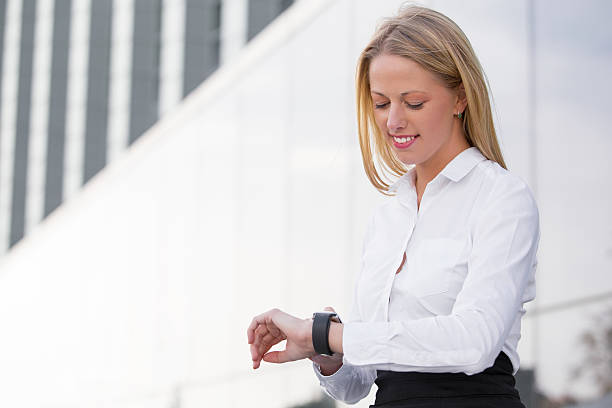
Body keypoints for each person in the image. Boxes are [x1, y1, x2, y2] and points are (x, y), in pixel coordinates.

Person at [247, 4, 539, 407]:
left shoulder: (502, 198)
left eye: (414, 102)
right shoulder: (387, 219)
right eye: (382, 104)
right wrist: (323, 351)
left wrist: (326, 334)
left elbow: (475, 341)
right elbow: (357, 384)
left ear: (459, 97)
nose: (393, 122)